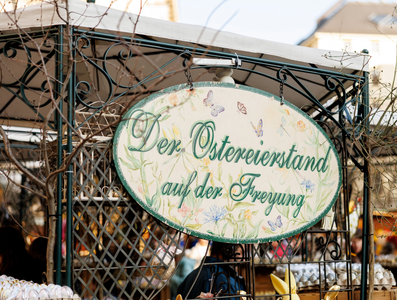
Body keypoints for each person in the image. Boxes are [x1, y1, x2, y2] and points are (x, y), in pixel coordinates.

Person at [177, 242, 246, 300]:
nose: (243, 260)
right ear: (228, 250)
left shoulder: (190, 277)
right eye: (241, 252)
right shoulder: (227, 282)